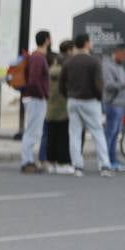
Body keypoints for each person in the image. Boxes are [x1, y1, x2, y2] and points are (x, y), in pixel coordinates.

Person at [61, 33, 112, 177]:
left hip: (72, 100)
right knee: (97, 132)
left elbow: (62, 85)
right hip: (90, 101)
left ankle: (77, 166)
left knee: (75, 134)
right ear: (86, 44)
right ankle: (104, 166)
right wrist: (99, 97)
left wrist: (69, 95)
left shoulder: (69, 62)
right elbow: (98, 84)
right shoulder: (94, 62)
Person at [19, 30, 51, 173]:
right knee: (33, 131)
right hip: (36, 98)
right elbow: (34, 80)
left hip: (33, 97)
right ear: (47, 40)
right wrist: (43, 94)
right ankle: (27, 161)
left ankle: (29, 160)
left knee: (33, 131)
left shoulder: (35, 57)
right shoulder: (38, 58)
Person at [101, 43, 125, 171]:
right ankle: (106, 161)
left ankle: (113, 159)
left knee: (115, 133)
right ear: (118, 52)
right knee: (110, 133)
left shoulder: (119, 65)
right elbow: (109, 85)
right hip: (113, 103)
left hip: (120, 103)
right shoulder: (107, 65)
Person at [43, 40, 73, 174]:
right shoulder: (66, 73)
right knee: (63, 137)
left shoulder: (50, 72)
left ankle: (51, 162)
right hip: (63, 109)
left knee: (51, 138)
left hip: (50, 109)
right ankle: (63, 163)